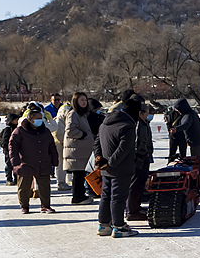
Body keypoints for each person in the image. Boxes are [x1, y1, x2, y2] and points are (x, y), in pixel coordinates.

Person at [96, 96, 143, 238]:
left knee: (106, 196)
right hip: (120, 168)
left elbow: (96, 143)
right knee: (118, 197)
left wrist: (100, 160)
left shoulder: (104, 124)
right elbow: (124, 149)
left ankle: (104, 225)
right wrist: (111, 163)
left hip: (106, 168)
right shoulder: (127, 126)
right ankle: (118, 226)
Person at [8, 106, 59, 214]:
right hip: (25, 163)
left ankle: (45, 205)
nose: (41, 120)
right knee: (24, 186)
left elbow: (51, 146)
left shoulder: (45, 131)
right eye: (38, 118)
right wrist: (15, 161)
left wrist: (54, 160)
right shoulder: (20, 131)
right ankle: (24, 206)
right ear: (30, 119)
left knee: (45, 186)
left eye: (41, 118)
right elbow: (13, 146)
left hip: (43, 161)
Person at [63, 92, 96, 205]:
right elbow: (70, 131)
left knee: (81, 174)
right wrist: (83, 135)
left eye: (85, 100)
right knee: (78, 175)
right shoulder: (73, 114)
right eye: (81, 100)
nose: (84, 102)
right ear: (75, 101)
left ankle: (80, 195)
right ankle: (77, 197)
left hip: (82, 150)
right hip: (76, 150)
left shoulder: (82, 114)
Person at [126, 103, 154, 221]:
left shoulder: (144, 123)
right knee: (135, 184)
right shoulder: (139, 125)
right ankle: (132, 210)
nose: (149, 115)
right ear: (141, 113)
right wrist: (142, 156)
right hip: (139, 159)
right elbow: (139, 143)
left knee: (140, 183)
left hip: (143, 158)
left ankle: (136, 207)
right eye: (147, 113)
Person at [53, 99, 71, 191]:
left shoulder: (60, 112)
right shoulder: (67, 111)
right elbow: (59, 130)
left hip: (58, 140)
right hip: (61, 141)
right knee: (62, 163)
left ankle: (63, 181)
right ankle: (61, 183)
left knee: (62, 163)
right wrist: (63, 141)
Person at [0, 113, 20, 185]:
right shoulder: (8, 129)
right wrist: (7, 148)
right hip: (9, 150)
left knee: (16, 164)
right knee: (9, 164)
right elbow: (4, 141)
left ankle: (17, 178)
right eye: (15, 119)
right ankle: (9, 178)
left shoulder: (18, 129)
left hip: (17, 150)